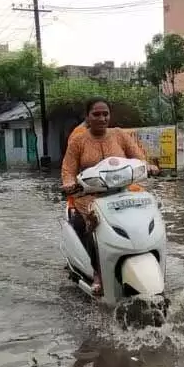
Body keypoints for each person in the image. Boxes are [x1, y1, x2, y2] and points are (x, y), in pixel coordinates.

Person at [61, 98, 158, 296]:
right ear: (87, 116)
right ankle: (97, 272)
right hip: (89, 196)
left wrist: (148, 165)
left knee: (150, 215)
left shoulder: (119, 135)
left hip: (123, 193)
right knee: (88, 222)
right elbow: (68, 170)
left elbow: (138, 157)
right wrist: (69, 183)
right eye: (96, 114)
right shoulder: (78, 141)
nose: (102, 118)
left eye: (105, 114)